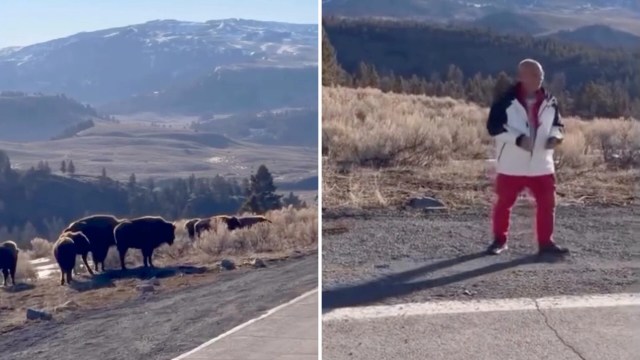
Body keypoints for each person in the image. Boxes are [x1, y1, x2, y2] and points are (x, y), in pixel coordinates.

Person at [485, 59, 569, 256]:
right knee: (504, 203)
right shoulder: (505, 101)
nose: (540, 79)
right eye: (535, 75)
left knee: (547, 204)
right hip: (512, 165)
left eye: (541, 75)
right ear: (522, 76)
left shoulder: (550, 101)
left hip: (542, 164)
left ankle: (546, 243)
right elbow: (494, 128)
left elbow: (558, 125)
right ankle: (499, 240)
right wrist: (518, 139)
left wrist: (555, 138)